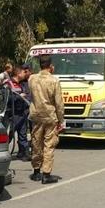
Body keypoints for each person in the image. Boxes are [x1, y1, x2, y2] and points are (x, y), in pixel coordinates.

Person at [28, 55, 64, 183]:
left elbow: (31, 95)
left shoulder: (32, 78)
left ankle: (36, 171)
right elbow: (59, 103)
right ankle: (46, 174)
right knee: (49, 144)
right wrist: (61, 120)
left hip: (36, 115)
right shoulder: (54, 80)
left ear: (40, 65)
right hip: (50, 116)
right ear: (51, 66)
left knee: (36, 142)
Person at [12, 65, 32, 161]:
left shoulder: (22, 84)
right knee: (9, 136)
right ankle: (1, 154)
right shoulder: (9, 83)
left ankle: (24, 154)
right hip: (13, 114)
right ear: (18, 73)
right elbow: (7, 98)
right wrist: (19, 96)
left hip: (22, 113)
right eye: (24, 72)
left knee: (23, 135)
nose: (25, 74)